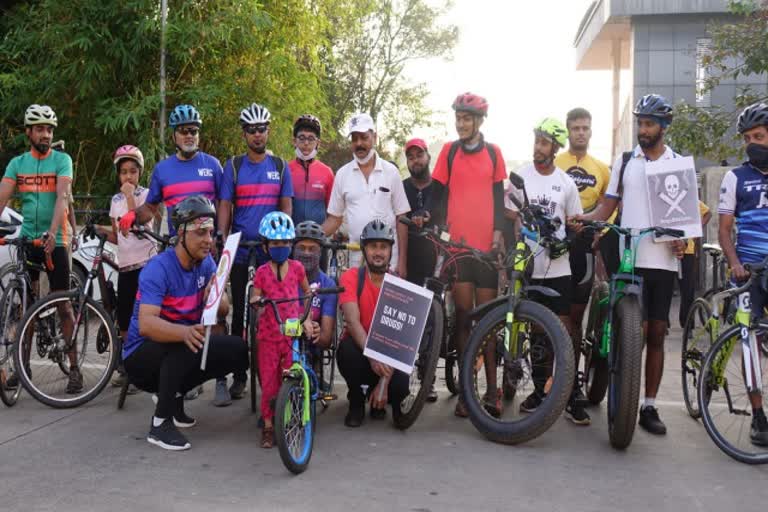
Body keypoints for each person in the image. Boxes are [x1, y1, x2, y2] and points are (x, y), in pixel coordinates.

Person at [574, 94, 686, 436]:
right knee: (628, 327)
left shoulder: (677, 163)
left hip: (663, 261)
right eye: (640, 122)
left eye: (649, 123)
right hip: (629, 255)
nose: (643, 129)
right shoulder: (626, 161)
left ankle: (648, 405)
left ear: (664, 127)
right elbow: (607, 208)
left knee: (655, 333)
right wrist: (585, 219)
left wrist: (682, 241)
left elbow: (683, 218)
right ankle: (613, 374)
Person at [119, 103, 231, 404]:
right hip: (177, 250)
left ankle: (219, 377)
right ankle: (183, 375)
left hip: (208, 248)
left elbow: (224, 203)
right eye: (184, 131)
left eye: (194, 130)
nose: (189, 135)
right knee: (178, 312)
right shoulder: (163, 169)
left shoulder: (213, 165)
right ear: (174, 136)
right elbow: (152, 207)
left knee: (215, 308)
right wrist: (133, 217)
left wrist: (219, 236)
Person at [122, 195, 249, 451]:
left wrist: (217, 294)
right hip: (141, 356)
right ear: (181, 233)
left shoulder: (206, 263)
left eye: (211, 233)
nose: (208, 240)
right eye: (201, 232)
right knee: (185, 342)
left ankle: (176, 399)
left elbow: (222, 311)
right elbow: (146, 324)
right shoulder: (158, 268)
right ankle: (160, 424)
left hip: (181, 344)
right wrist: (184, 332)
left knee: (237, 350)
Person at [424, 92, 507, 417]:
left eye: (467, 118)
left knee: (487, 319)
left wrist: (498, 235)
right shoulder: (449, 151)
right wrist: (426, 218)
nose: (461, 124)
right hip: (456, 248)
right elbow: (436, 195)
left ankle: (491, 390)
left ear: (479, 121)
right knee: (462, 318)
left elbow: (498, 199)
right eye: (458, 118)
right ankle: (466, 391)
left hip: (485, 250)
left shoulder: (493, 153)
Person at [507, 118, 585, 424]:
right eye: (536, 141)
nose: (538, 147)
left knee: (562, 331)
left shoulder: (565, 183)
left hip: (559, 268)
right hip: (529, 266)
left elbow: (574, 222)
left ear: (554, 147)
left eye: (543, 143)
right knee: (537, 332)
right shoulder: (521, 176)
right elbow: (510, 214)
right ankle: (540, 391)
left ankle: (567, 392)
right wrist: (518, 236)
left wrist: (570, 238)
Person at [218, 103, 294, 406]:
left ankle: (278, 369)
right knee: (238, 313)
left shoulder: (279, 165)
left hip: (270, 248)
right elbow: (225, 204)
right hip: (239, 246)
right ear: (244, 134)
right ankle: (239, 374)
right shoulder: (233, 166)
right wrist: (223, 238)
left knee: (276, 308)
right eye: (251, 130)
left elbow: (285, 205)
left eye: (262, 129)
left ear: (268, 131)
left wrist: (286, 237)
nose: (257, 135)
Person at [0, 104, 79, 393]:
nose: (46, 134)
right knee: (26, 307)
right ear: (28, 133)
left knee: (62, 304)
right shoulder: (17, 164)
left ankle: (74, 369)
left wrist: (53, 232)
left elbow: (62, 197)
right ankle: (22, 369)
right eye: (40, 129)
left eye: (49, 129)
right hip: (28, 240)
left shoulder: (62, 160)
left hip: (55, 241)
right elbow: (2, 198)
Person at [717, 101, 768, 445]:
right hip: (747, 269)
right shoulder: (735, 177)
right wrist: (734, 263)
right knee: (747, 340)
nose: (753, 143)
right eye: (748, 137)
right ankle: (758, 416)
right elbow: (723, 230)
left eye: (760, 136)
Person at [249, 212, 317, 448]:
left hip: (290, 333)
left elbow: (307, 293)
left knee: (291, 376)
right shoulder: (261, 272)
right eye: (276, 243)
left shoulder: (298, 268)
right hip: (268, 334)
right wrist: (256, 301)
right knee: (268, 383)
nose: (282, 247)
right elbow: (255, 295)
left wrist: (306, 318)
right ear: (266, 246)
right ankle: (268, 426)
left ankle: (288, 418)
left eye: (286, 243)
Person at [554, 108, 612, 375]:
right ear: (567, 130)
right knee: (552, 315)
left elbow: (612, 203)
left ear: (591, 131)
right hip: (554, 244)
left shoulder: (601, 168)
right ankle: (546, 383)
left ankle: (571, 382)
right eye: (575, 128)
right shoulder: (554, 162)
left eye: (585, 128)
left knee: (575, 318)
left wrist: (603, 229)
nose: (580, 133)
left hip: (584, 246)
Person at [337, 219, 409, 427]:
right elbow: (352, 321)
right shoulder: (351, 277)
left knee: (401, 384)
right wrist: (372, 357)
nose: (378, 252)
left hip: (389, 358)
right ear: (364, 249)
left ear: (390, 251)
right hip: (361, 353)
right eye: (373, 246)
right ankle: (356, 400)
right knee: (347, 350)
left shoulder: (399, 285)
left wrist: (385, 382)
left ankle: (385, 400)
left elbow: (402, 339)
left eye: (383, 247)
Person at [322, 113, 410, 276]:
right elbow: (334, 219)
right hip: (357, 257)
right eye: (354, 139)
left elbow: (401, 218)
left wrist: (402, 262)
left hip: (389, 258)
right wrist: (312, 236)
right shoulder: (342, 174)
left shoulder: (391, 172)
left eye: (364, 137)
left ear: (374, 137)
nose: (359, 143)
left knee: (386, 302)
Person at [106, 145, 159, 390]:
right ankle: (128, 364)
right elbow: (119, 236)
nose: (128, 176)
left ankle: (151, 364)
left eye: (133, 171)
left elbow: (135, 228)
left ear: (140, 173)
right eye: (124, 172)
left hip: (146, 265)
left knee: (147, 317)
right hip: (125, 266)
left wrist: (129, 197)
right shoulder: (114, 201)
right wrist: (100, 233)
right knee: (125, 321)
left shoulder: (147, 196)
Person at [292, 221, 338, 380]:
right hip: (283, 338)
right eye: (301, 248)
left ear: (320, 252)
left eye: (312, 249)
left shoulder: (328, 285)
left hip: (312, 344)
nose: (306, 253)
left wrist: (319, 332)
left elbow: (326, 339)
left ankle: (315, 365)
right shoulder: (283, 277)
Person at [289, 115, 334, 226]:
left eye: (311, 138)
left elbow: (332, 212)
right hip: (291, 237)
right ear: (294, 141)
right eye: (302, 138)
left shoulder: (327, 172)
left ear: (318, 143)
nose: (306, 143)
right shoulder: (285, 170)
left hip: (319, 238)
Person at [677, 201, 711, 327]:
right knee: (666, 288)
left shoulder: (690, 198)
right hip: (667, 249)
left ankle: (687, 323)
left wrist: (696, 229)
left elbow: (708, 213)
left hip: (688, 250)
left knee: (688, 289)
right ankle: (665, 323)